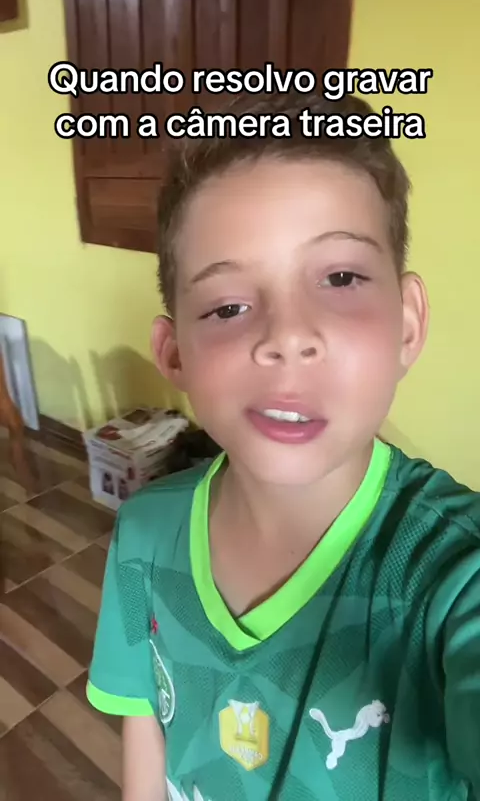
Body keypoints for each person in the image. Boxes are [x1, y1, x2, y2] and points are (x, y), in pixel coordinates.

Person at [86, 91, 480, 801]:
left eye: (341, 278)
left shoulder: (450, 577)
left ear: (407, 323)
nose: (286, 336)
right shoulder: (142, 533)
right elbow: (145, 719)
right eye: (228, 306)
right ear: (174, 354)